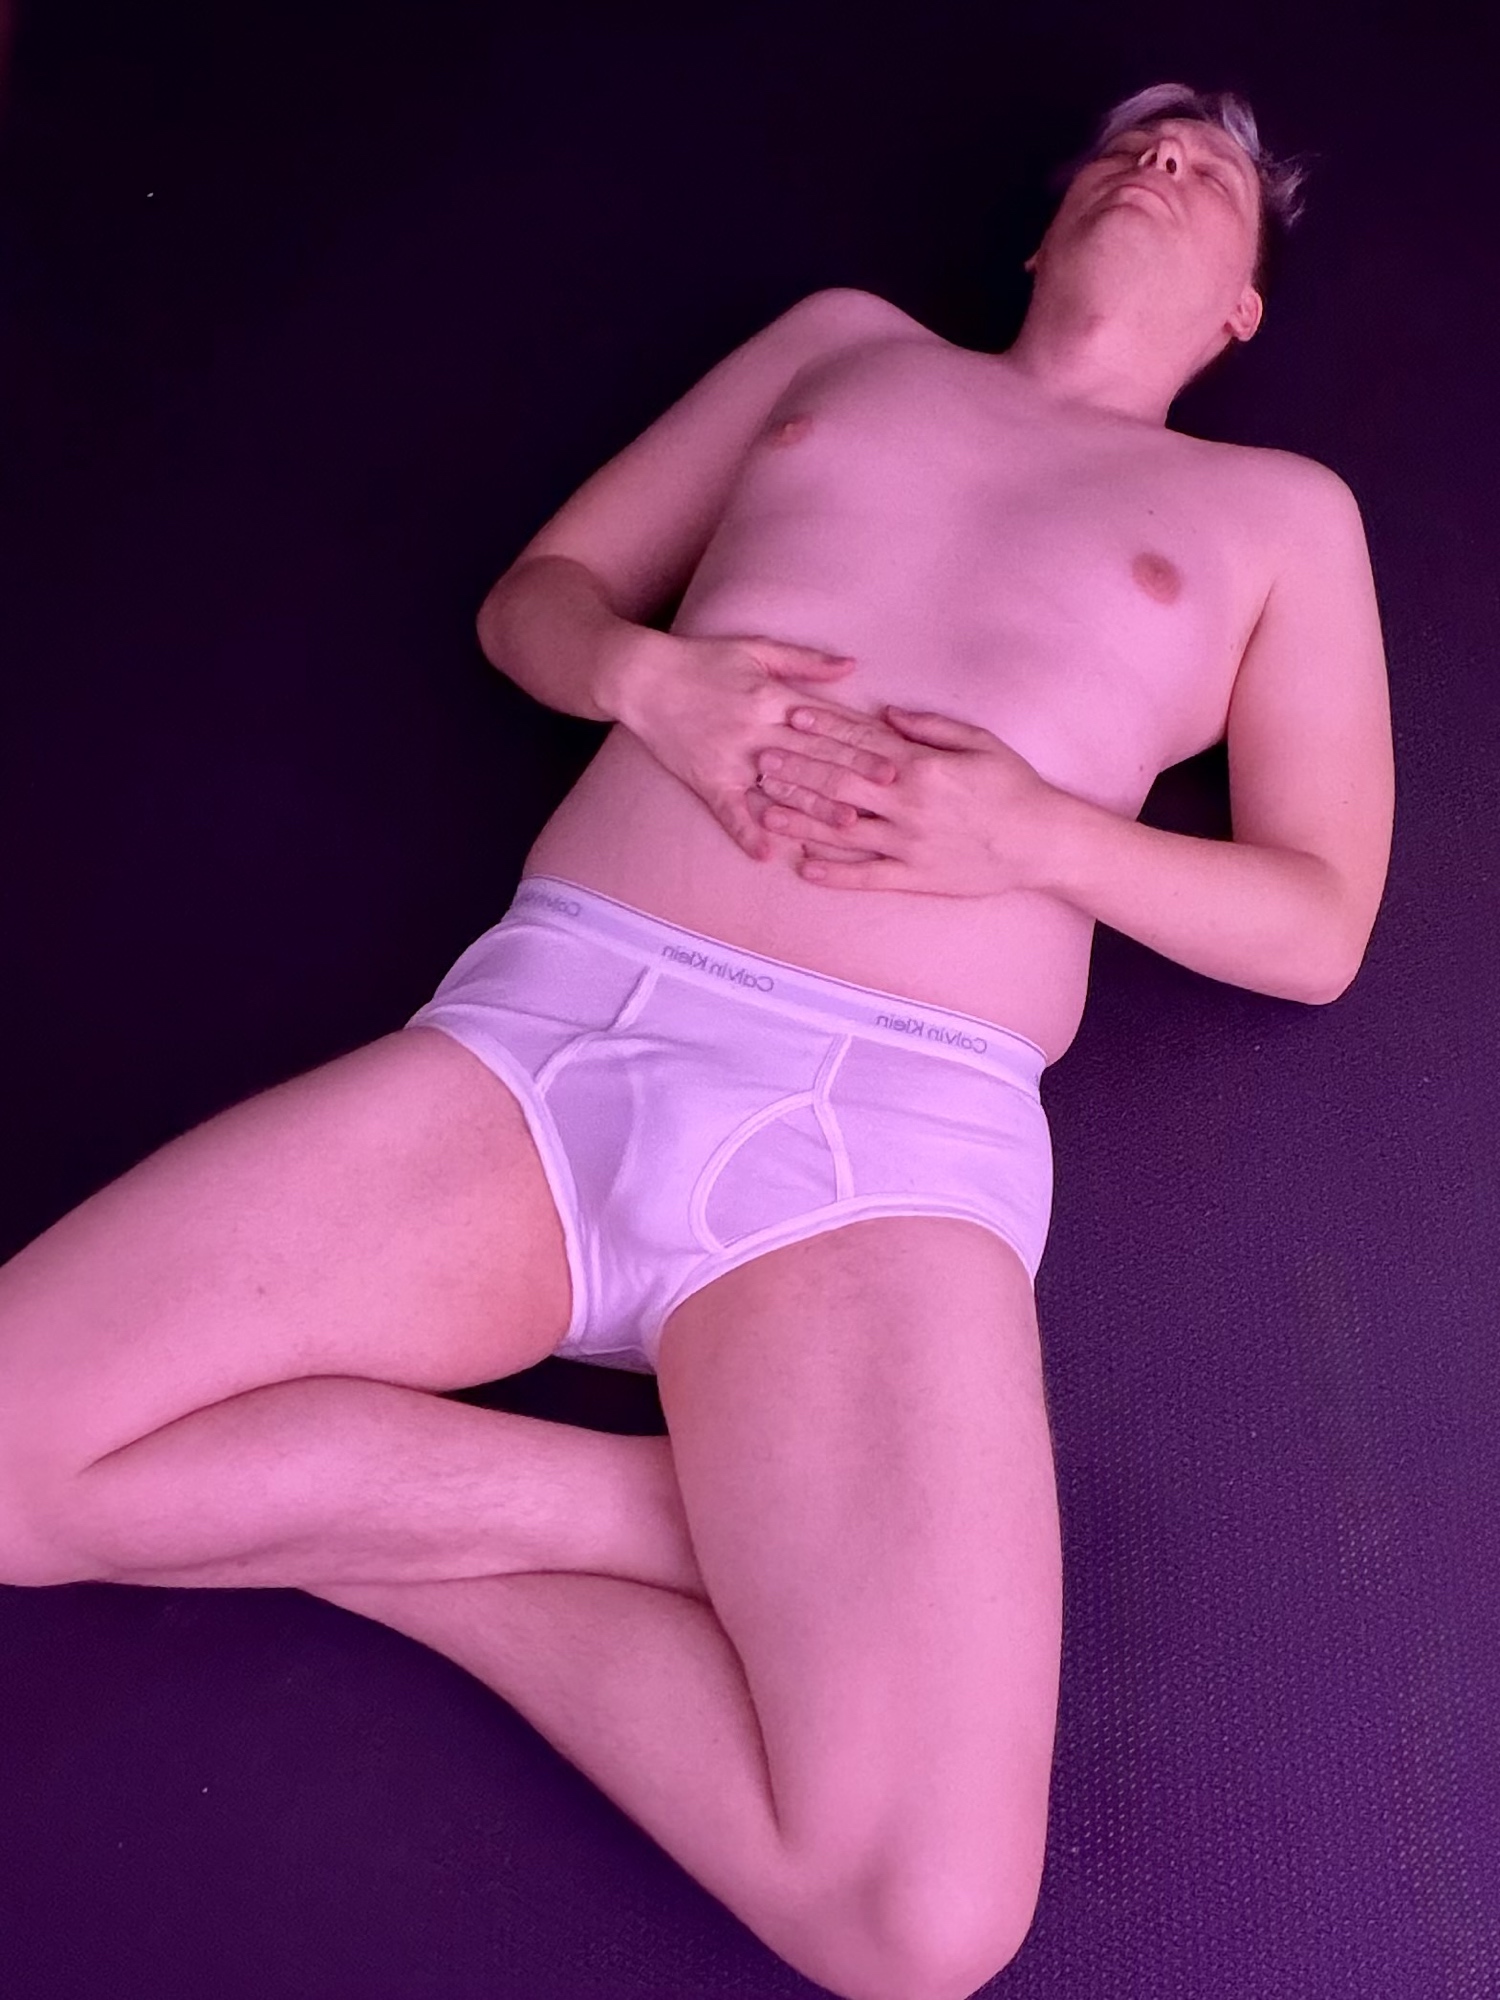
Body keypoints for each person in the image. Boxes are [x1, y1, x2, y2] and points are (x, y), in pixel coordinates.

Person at [0, 81, 1392, 2000]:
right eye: (1133, 140)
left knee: (922, 1931)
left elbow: (1319, 925)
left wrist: (1039, 838)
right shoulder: (845, 346)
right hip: (563, 1032)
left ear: (1244, 308)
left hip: (885, 1139)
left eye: (1211, 166)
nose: (1161, 159)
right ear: (1038, 228)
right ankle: (689, 1524)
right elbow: (536, 604)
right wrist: (647, 679)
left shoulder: (1280, 516)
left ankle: (372, 1527)